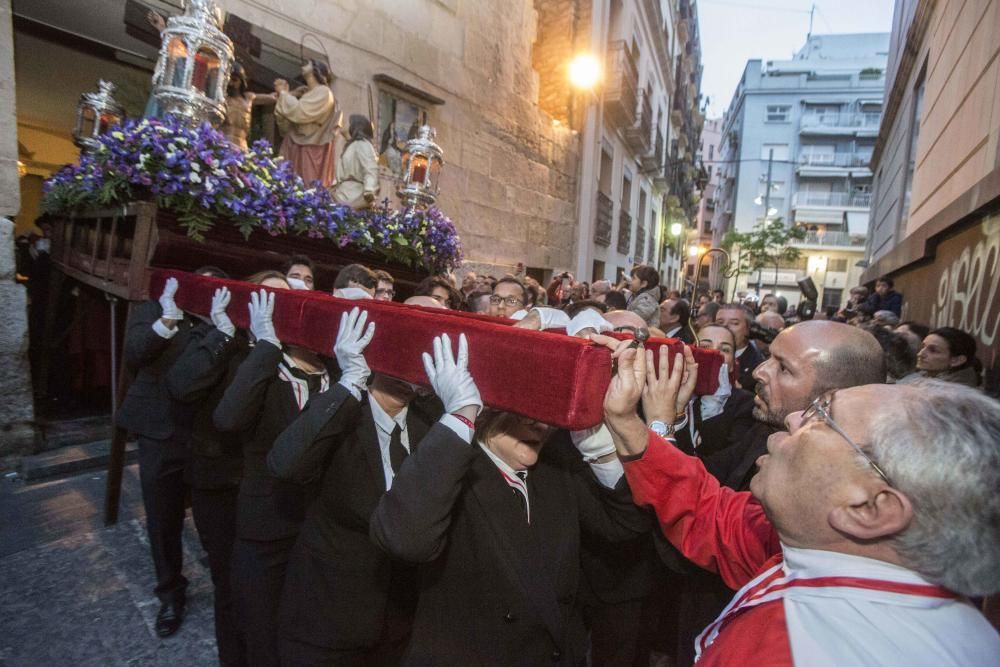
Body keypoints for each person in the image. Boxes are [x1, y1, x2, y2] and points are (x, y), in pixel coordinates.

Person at [604, 343, 1000, 665]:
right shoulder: (830, 552)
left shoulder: (802, 651)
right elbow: (712, 514)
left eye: (823, 417)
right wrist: (626, 422)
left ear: (869, 508)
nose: (795, 419)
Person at [369, 334, 649, 665]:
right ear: (488, 407)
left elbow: (626, 526)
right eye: (524, 408)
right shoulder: (447, 465)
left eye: (547, 409)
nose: (538, 423)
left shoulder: (557, 470)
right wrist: (460, 415)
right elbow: (405, 541)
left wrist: (598, 445)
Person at [265, 308, 439, 663]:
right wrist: (350, 381)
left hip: (402, 622)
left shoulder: (436, 424)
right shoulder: (340, 410)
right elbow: (285, 464)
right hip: (326, 618)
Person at [163, 270, 284, 664]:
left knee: (267, 591)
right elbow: (182, 385)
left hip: (270, 489)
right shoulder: (216, 336)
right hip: (222, 482)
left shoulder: (291, 348)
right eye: (265, 296)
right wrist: (225, 333)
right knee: (231, 587)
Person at [213, 285, 335, 666]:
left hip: (316, 526)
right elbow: (228, 419)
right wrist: (266, 345)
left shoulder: (338, 374)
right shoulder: (261, 368)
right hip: (266, 524)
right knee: (259, 630)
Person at [116, 274, 211, 637]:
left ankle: (220, 573)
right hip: (159, 430)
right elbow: (136, 352)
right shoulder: (155, 309)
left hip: (203, 432)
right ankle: (170, 593)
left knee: (210, 512)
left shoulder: (218, 321)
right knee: (162, 518)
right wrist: (168, 320)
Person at [274, 60, 340, 187]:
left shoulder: (324, 92)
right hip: (295, 145)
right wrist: (289, 95)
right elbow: (286, 124)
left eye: (309, 62)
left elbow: (300, 112)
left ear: (316, 70)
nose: (305, 63)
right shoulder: (309, 94)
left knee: (304, 187)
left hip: (309, 148)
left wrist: (283, 94)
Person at [221, 61, 276, 151]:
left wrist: (292, 93)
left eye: (235, 80)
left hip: (243, 147)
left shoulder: (248, 98)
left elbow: (273, 97)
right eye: (229, 79)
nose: (231, 83)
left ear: (241, 82)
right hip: (224, 144)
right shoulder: (222, 98)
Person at [332, 114, 380, 209]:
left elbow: (370, 168)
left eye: (346, 122)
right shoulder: (351, 146)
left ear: (354, 126)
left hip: (354, 195)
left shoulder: (362, 144)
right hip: (343, 193)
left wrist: (369, 191)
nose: (342, 123)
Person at [715, 304, 763, 392]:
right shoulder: (703, 355)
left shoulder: (758, 368)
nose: (725, 326)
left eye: (734, 323)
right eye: (720, 322)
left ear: (749, 329)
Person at [916, 327, 981, 388]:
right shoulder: (926, 379)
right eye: (922, 347)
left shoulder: (954, 393)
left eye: (933, 350)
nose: (920, 354)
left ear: (957, 360)